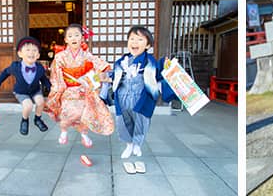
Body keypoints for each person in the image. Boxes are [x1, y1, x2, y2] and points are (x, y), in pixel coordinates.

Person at [110, 26, 175, 159]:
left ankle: (137, 144)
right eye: (132, 39)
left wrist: (167, 66)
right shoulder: (121, 62)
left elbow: (158, 74)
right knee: (123, 123)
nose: (134, 42)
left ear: (148, 45)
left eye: (140, 39)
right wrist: (105, 78)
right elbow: (114, 77)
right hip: (123, 98)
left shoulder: (150, 63)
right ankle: (129, 145)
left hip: (141, 99)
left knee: (142, 122)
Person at [45, 23, 114, 147]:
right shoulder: (60, 56)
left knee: (83, 113)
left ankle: (84, 134)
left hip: (83, 88)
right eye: (70, 36)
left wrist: (105, 70)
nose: (74, 38)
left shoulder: (86, 55)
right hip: (67, 89)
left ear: (82, 38)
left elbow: (98, 64)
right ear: (66, 40)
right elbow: (56, 73)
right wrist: (59, 88)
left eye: (77, 35)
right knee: (68, 113)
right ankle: (64, 131)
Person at [0, 37, 51, 135]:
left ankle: (37, 119)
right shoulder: (15, 67)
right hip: (21, 91)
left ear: (38, 55)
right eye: (28, 50)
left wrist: (51, 89)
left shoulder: (39, 68)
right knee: (28, 105)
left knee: (41, 102)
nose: (31, 52)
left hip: (35, 90)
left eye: (34, 50)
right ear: (20, 53)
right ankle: (24, 120)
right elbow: (5, 72)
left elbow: (44, 79)